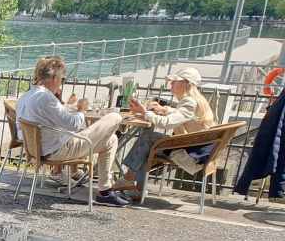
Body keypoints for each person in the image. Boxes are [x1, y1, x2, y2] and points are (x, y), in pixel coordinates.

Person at [15, 55, 128, 207]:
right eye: (62, 78)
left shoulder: (26, 96)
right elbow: (73, 124)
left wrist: (68, 107)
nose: (61, 82)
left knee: (111, 140)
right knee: (115, 117)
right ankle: (103, 189)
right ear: (54, 78)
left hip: (36, 150)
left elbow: (53, 116)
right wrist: (82, 110)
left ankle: (105, 191)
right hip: (57, 150)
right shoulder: (46, 98)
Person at [121, 66, 216, 196]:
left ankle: (129, 179)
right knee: (148, 144)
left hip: (190, 156)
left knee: (148, 137)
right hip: (196, 150)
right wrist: (163, 109)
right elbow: (183, 115)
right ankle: (134, 186)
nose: (171, 84)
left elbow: (167, 123)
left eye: (174, 81)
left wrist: (145, 113)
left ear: (185, 83)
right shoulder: (197, 100)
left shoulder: (189, 102)